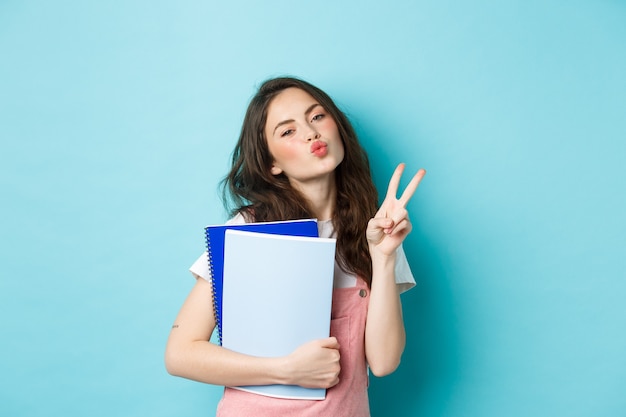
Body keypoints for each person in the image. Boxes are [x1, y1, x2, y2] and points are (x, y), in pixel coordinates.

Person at [165, 76, 426, 416]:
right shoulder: (249, 228)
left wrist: (384, 256)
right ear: (272, 162)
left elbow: (384, 361)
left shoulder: (377, 231)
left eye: (317, 117)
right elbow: (181, 353)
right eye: (287, 131)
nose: (310, 133)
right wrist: (286, 369)